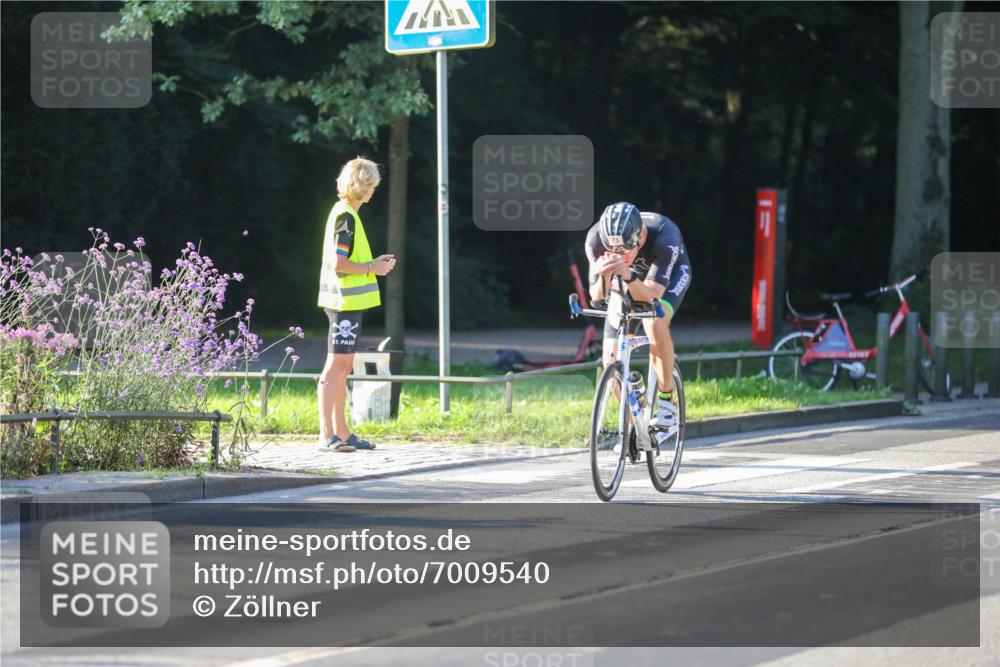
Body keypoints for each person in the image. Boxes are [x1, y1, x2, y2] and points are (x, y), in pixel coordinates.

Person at [584, 202, 692, 431]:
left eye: (624, 251)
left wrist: (627, 275)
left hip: (666, 279)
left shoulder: (665, 236)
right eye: (612, 251)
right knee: (610, 360)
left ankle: (666, 401)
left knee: (654, 323)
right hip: (625, 281)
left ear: (641, 237)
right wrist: (604, 275)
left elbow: (652, 296)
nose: (618, 256)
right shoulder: (595, 241)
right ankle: (635, 428)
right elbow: (596, 296)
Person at [316, 157, 396, 453]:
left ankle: (342, 432)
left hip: (347, 303)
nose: (374, 189)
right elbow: (340, 263)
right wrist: (372, 268)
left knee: (344, 365)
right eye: (372, 184)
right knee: (336, 366)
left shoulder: (347, 213)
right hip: (342, 303)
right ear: (365, 186)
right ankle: (327, 435)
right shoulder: (346, 216)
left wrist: (373, 264)